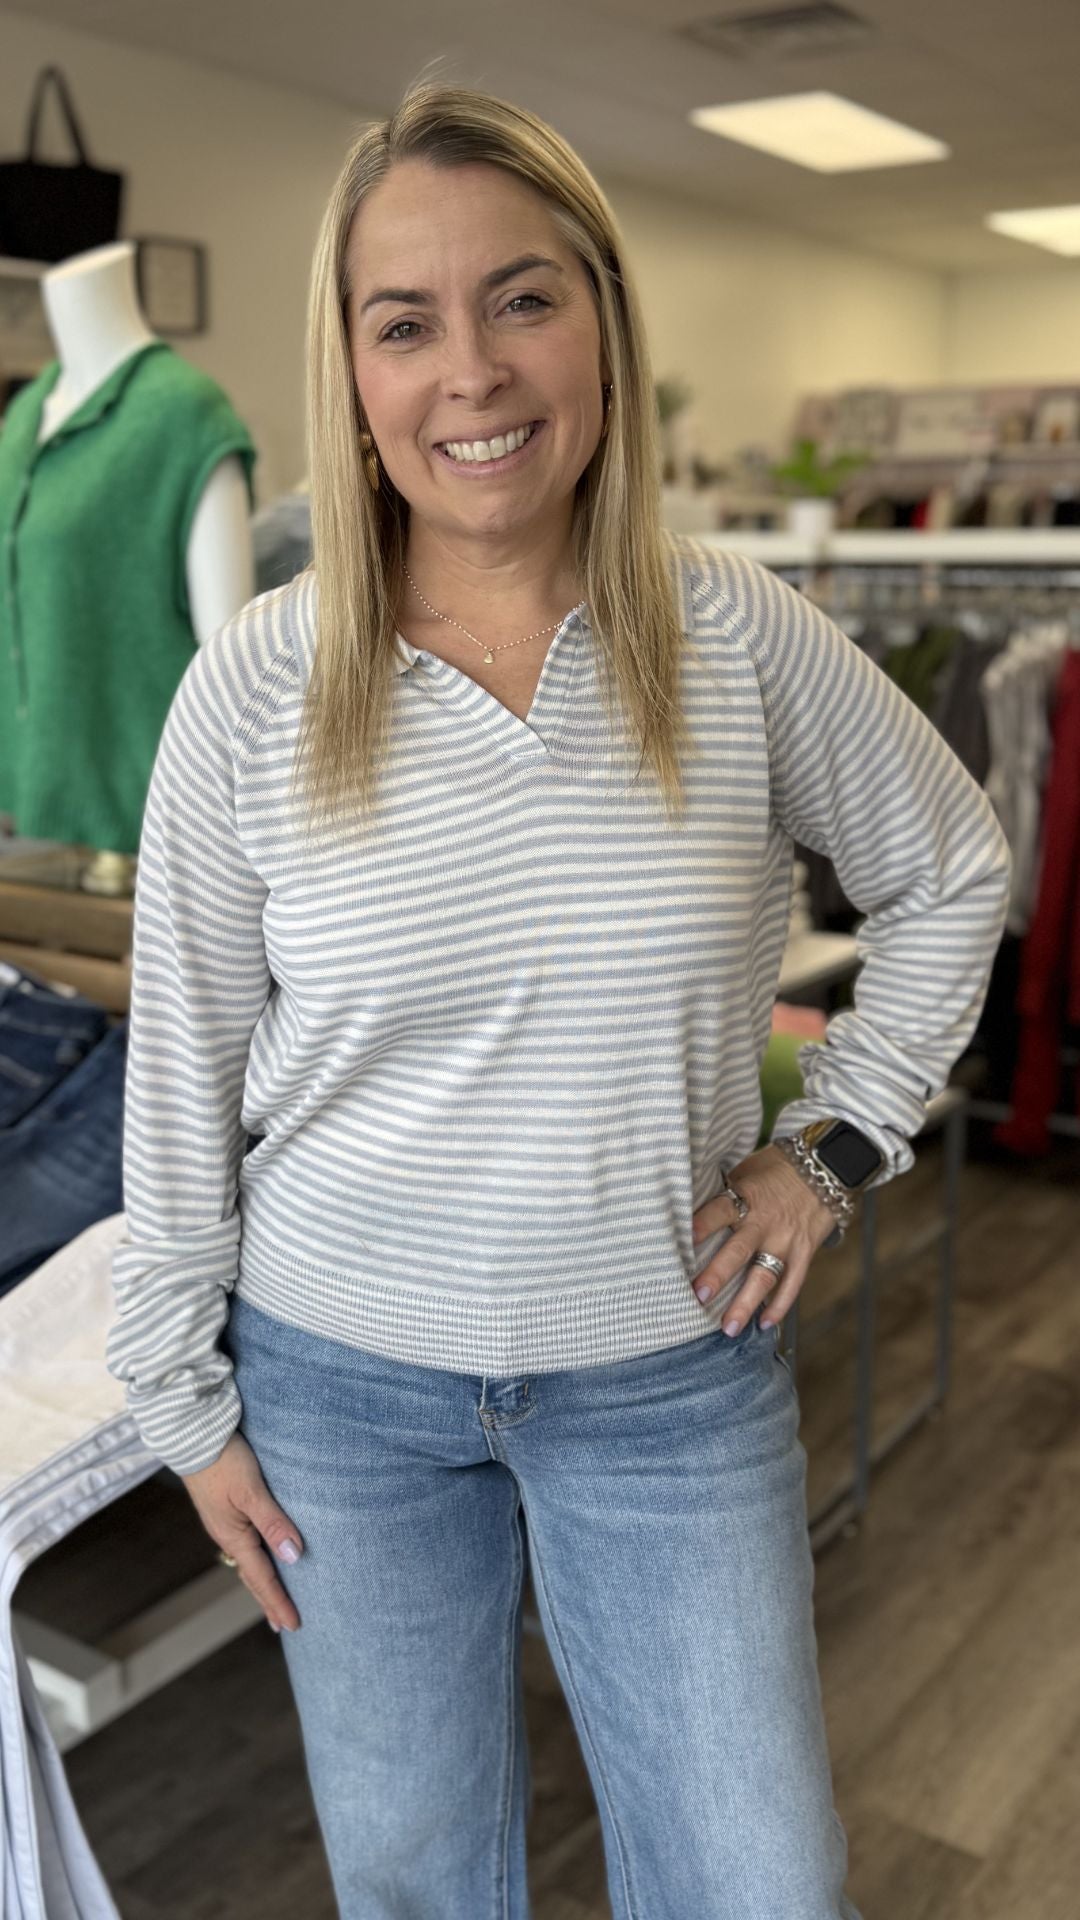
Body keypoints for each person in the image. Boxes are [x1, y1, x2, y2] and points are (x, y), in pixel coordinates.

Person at [106, 78, 1011, 1920]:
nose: (474, 373)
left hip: (666, 1379)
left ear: (601, 317)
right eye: (405, 321)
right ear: (349, 376)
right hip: (338, 1390)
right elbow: (185, 1066)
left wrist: (826, 1153)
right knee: (420, 1887)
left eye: (523, 298)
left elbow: (954, 870)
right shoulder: (256, 691)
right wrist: (177, 1405)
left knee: (762, 1886)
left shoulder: (737, 636)